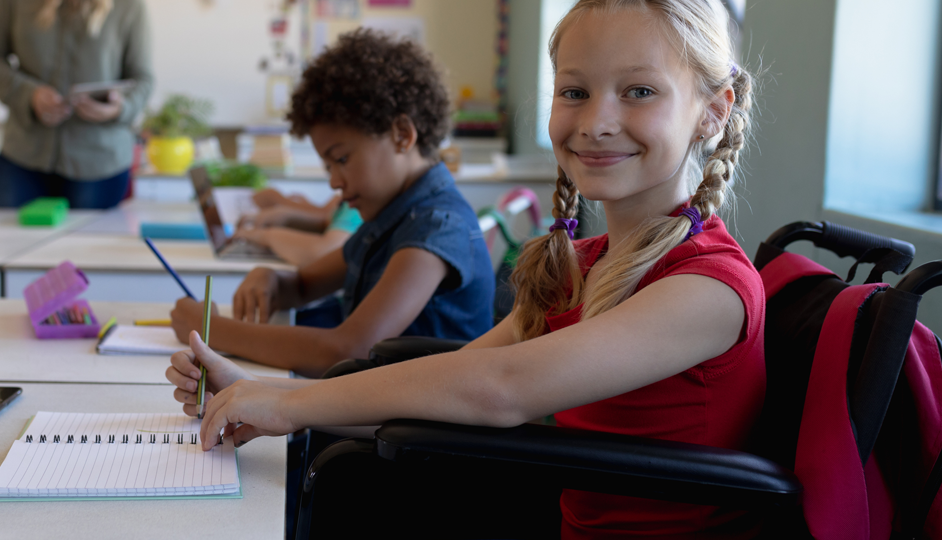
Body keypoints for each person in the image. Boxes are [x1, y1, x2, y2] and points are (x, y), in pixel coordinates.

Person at [169, 0, 762, 536]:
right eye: (575, 92)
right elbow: (454, 383)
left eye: (640, 91)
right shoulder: (583, 265)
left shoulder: (707, 290)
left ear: (712, 112)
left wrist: (285, 405)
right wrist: (259, 393)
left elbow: (500, 388)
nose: (595, 121)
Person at [167, 29, 495, 378]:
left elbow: (349, 350)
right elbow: (304, 285)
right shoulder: (393, 213)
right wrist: (272, 279)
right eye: (328, 166)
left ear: (402, 135)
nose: (334, 182)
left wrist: (209, 331)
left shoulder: (437, 226)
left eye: (341, 159)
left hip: (420, 413)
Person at [0, 0, 154, 209]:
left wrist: (119, 108)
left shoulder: (130, 5)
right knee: (4, 230)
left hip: (99, 161)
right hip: (23, 152)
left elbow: (142, 79)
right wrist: (28, 94)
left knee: (89, 233)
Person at [233, 190, 362, 267]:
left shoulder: (359, 201)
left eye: (342, 160)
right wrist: (287, 215)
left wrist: (264, 236)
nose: (333, 183)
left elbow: (323, 253)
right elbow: (327, 220)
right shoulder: (349, 198)